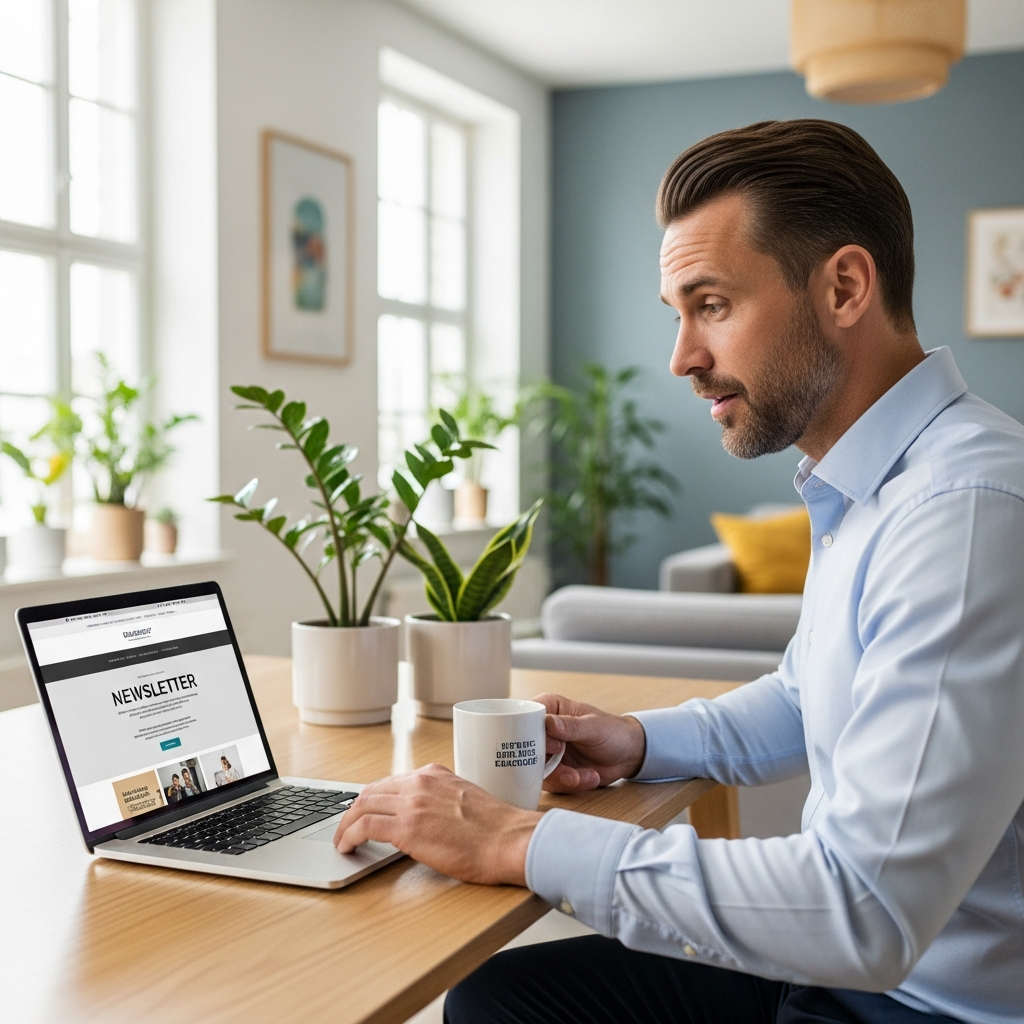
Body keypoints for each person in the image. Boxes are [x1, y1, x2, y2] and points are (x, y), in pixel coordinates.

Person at [333, 120, 1024, 1024]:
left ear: (846, 286)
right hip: (867, 974)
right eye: (678, 313)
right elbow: (813, 694)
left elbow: (864, 912)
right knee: (502, 999)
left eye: (713, 305)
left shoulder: (963, 512)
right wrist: (638, 740)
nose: (683, 357)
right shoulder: (871, 480)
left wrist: (520, 839)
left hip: (927, 1005)